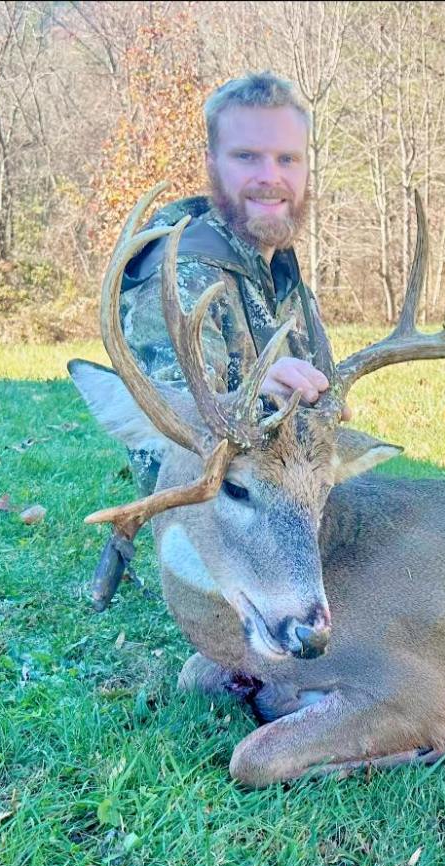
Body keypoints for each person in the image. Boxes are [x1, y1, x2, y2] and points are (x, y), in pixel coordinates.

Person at [92, 71, 344, 606]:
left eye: (287, 159)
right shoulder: (180, 267)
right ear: (213, 166)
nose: (270, 178)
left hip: (284, 497)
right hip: (213, 520)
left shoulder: (283, 275)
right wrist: (249, 393)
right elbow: (164, 409)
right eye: (247, 157)